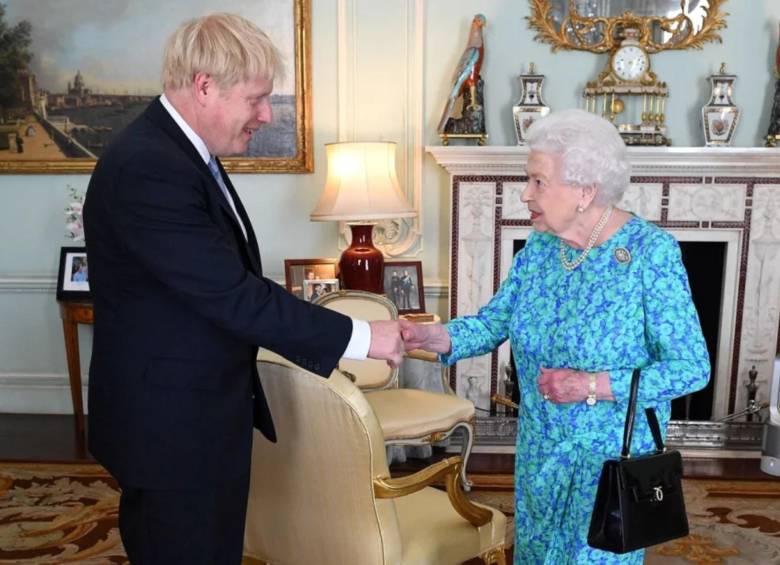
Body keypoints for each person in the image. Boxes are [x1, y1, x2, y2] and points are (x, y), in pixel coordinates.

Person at [82, 13, 404, 565]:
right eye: (256, 98)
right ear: (204, 85)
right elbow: (231, 293)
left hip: (192, 415)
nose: (265, 115)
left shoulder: (182, 154)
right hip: (171, 428)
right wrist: (361, 336)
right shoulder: (148, 166)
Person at [401, 109, 710, 564]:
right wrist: (430, 337)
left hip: (608, 460)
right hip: (540, 452)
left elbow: (691, 368)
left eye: (538, 182)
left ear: (585, 191)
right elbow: (492, 324)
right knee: (536, 555)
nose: (525, 194)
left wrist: (590, 385)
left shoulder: (650, 254)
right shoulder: (540, 250)